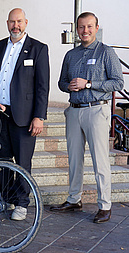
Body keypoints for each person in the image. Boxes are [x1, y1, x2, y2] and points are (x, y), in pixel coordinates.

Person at [50, 12, 124, 223]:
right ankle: (74, 199)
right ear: (77, 29)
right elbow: (61, 83)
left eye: (89, 27)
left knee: (100, 161)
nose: (85, 31)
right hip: (74, 110)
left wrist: (89, 84)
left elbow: (118, 83)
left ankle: (105, 205)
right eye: (81, 27)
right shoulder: (71, 55)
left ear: (96, 27)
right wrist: (69, 86)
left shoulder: (106, 52)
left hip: (96, 110)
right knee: (74, 159)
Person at [0, 8, 49, 221]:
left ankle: (21, 203)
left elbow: (42, 86)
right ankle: (5, 199)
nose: (16, 25)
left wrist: (39, 116)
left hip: (24, 116)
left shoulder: (38, 49)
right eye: (12, 22)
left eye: (19, 21)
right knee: (1, 159)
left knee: (22, 162)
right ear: (7, 23)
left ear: (26, 22)